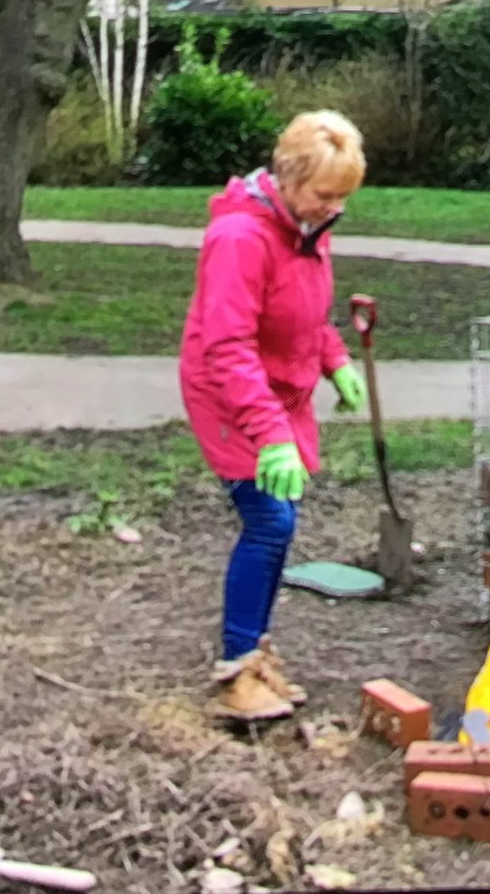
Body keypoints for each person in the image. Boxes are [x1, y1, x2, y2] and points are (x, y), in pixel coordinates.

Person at [178, 110, 369, 722]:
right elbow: (226, 345)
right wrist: (269, 434)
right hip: (230, 394)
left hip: (279, 390)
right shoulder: (239, 238)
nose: (333, 208)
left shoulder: (307, 227)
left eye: (343, 198)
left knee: (280, 521)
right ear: (287, 177)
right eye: (323, 195)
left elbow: (310, 309)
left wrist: (334, 359)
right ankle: (237, 672)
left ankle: (255, 656)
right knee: (270, 523)